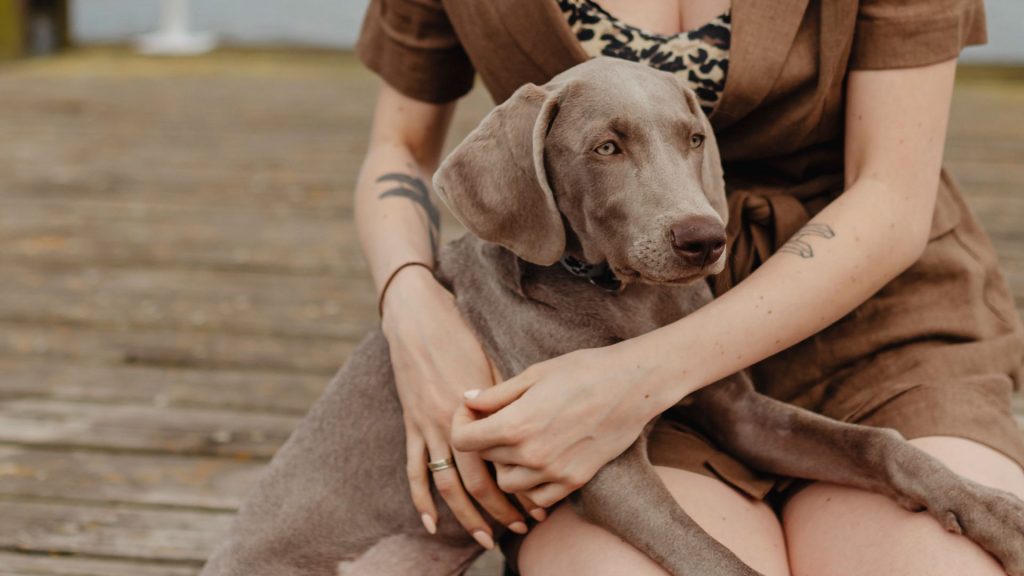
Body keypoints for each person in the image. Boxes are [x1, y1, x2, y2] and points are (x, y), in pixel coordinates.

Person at [352, 0, 1024, 573]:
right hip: (591, 318)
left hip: (869, 318)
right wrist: (411, 303)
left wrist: (635, 379)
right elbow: (403, 146)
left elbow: (891, 193)